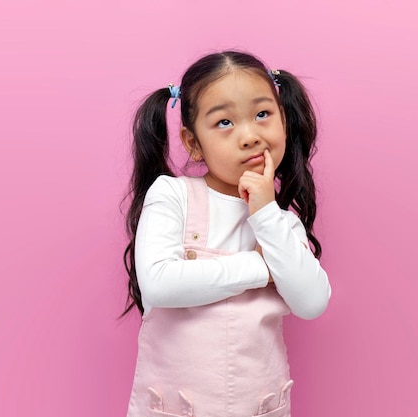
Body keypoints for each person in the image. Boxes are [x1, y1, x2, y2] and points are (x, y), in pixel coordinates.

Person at [122, 50, 331, 417]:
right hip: (177, 407)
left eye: (262, 114)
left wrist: (266, 212)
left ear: (284, 120)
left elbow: (312, 302)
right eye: (224, 122)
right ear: (192, 142)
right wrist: (260, 269)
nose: (250, 135)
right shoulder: (173, 195)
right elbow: (159, 282)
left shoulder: (281, 224)